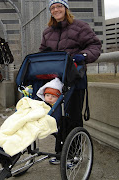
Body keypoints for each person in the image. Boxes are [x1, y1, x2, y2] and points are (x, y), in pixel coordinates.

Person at [40, 0, 102, 165]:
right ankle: (60, 152)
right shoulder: (47, 32)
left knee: (73, 117)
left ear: (66, 8)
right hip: (55, 81)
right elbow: (42, 51)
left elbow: (95, 45)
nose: (56, 9)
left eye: (59, 6)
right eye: (53, 8)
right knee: (57, 119)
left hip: (75, 79)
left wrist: (83, 56)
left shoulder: (80, 27)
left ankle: (74, 154)